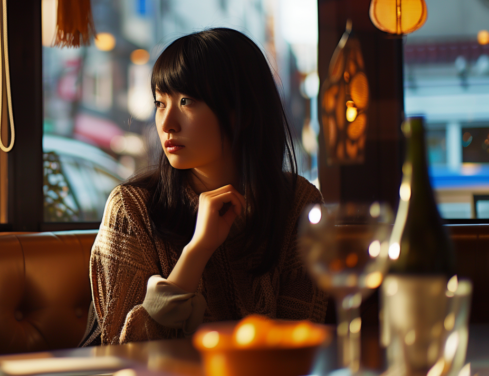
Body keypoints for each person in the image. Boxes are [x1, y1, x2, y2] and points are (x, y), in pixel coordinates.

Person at [80, 28, 327, 347]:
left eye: (186, 101)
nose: (167, 123)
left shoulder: (298, 203)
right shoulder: (132, 207)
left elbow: (298, 338)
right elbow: (122, 351)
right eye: (159, 103)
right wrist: (197, 250)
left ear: (244, 112)